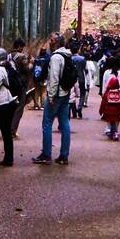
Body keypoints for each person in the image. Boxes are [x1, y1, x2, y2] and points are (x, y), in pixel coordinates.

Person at [33, 37, 74, 165]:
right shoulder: (67, 55)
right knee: (65, 123)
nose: (49, 42)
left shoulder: (56, 57)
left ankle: (46, 154)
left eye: (51, 40)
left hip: (56, 95)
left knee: (47, 123)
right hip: (65, 93)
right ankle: (64, 155)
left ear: (56, 43)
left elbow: (54, 78)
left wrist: (51, 96)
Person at [100, 51, 120, 136]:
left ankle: (109, 128)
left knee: (108, 112)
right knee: (117, 114)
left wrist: (103, 94)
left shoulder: (106, 72)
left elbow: (104, 84)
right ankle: (116, 130)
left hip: (108, 95)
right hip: (119, 96)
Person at [9, 39, 30, 138]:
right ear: (19, 46)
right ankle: (12, 130)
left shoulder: (7, 56)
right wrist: (32, 63)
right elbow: (27, 69)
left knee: (10, 107)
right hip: (20, 85)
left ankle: (7, 128)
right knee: (19, 108)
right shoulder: (22, 57)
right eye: (22, 47)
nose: (22, 49)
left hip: (9, 85)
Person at [99, 70, 120, 140]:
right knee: (114, 121)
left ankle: (113, 132)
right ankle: (114, 132)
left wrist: (101, 111)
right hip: (117, 112)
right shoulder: (119, 93)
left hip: (108, 112)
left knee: (111, 122)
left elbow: (103, 102)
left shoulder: (107, 93)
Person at [69, 46, 88, 118]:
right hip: (81, 78)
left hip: (71, 78)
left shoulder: (70, 58)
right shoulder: (82, 59)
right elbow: (85, 69)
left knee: (71, 93)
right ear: (78, 50)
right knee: (82, 94)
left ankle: (73, 110)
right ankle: (79, 107)